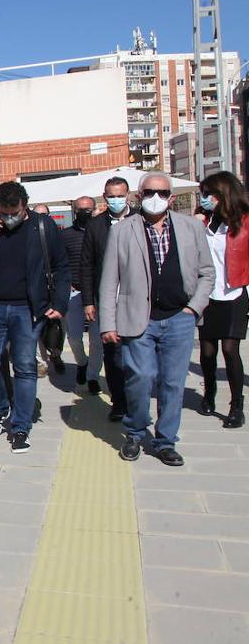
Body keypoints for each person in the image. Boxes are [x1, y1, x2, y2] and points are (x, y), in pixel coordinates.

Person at [100, 173, 214, 466]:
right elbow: (109, 279)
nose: (156, 198)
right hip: (138, 319)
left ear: (172, 198)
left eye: (163, 193)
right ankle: (135, 433)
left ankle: (165, 441)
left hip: (179, 317)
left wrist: (193, 309)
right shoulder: (123, 231)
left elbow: (207, 272)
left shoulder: (191, 228)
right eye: (150, 192)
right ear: (138, 196)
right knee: (140, 378)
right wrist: (107, 324)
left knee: (173, 383)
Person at [0, 182, 69, 453]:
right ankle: (0, 407)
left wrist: (60, 303)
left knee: (25, 366)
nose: (8, 217)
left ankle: (20, 426)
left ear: (24, 206)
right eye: (3, 212)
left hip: (29, 309)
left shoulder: (43, 226)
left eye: (13, 211)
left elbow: (61, 266)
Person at [196, 172, 249, 428]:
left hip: (234, 293)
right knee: (207, 352)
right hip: (208, 294)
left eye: (208, 194)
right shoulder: (206, 221)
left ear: (222, 194)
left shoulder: (244, 222)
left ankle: (237, 405)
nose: (204, 199)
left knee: (230, 350)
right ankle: (209, 393)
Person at [81, 176, 133, 420]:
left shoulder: (140, 220)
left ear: (129, 194)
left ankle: (135, 398)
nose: (115, 200)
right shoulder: (96, 225)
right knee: (112, 353)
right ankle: (119, 402)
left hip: (136, 298)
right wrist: (88, 301)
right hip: (107, 299)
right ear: (104, 197)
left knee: (135, 353)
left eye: (119, 195)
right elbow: (87, 265)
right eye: (111, 196)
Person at [61, 196, 103, 392]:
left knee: (96, 339)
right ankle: (82, 362)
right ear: (74, 210)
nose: (85, 212)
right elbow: (60, 262)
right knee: (75, 337)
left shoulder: (102, 232)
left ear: (95, 210)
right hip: (74, 291)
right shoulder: (66, 235)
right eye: (81, 209)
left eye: (88, 209)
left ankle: (93, 376)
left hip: (97, 294)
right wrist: (66, 282)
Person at [30, 204, 59, 377]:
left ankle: (55, 353)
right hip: (35, 291)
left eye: (45, 214)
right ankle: (41, 362)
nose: (42, 218)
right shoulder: (29, 236)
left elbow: (62, 263)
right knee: (35, 328)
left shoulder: (55, 235)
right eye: (38, 215)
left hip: (53, 289)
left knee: (55, 327)